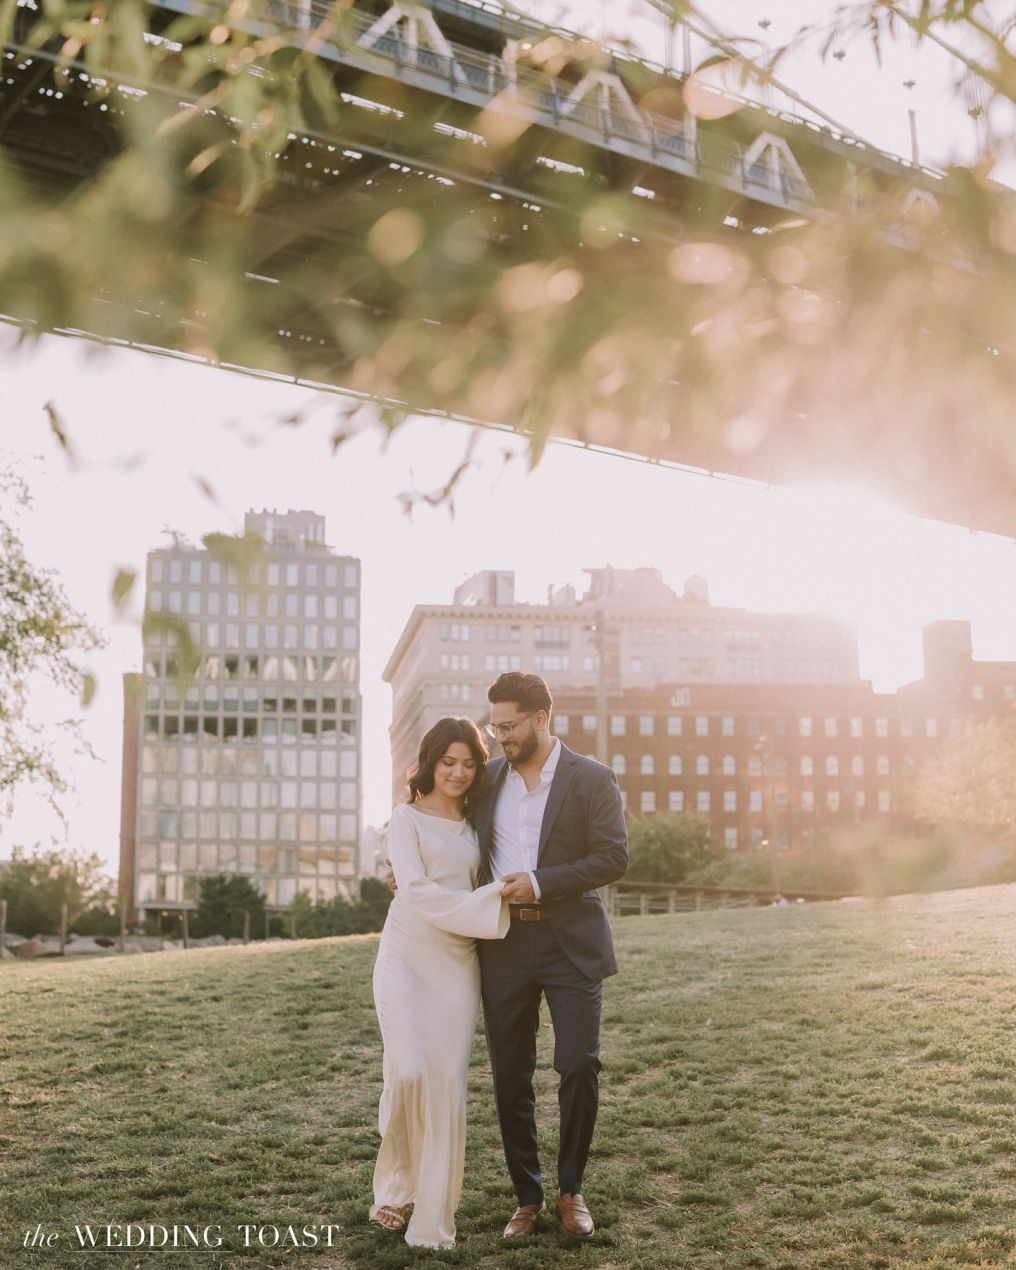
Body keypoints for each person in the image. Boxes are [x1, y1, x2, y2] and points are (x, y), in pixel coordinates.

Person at [475, 672, 628, 1241]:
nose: (499, 737)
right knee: (510, 1075)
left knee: (579, 1062)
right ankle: (526, 1197)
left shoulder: (592, 779)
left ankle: (570, 1191)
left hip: (571, 944)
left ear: (542, 718)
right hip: (503, 945)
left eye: (508, 726)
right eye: (494, 726)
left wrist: (539, 882)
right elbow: (444, 826)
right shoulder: (488, 780)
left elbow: (613, 858)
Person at [369, 717, 510, 1250]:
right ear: (430, 763)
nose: (458, 772)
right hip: (406, 955)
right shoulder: (404, 819)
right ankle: (394, 1188)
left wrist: (490, 896)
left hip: (458, 965)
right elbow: (417, 893)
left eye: (469, 764)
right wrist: (491, 902)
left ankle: (429, 1218)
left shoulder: (479, 822)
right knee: (407, 1073)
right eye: (448, 762)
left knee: (445, 1088)